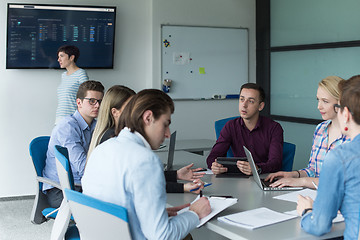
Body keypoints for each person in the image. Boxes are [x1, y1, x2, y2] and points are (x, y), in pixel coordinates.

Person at [82, 89, 211, 240]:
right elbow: (162, 236)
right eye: (165, 124)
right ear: (148, 117)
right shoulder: (146, 160)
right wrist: (195, 213)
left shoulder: (102, 149)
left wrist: (154, 215)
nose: (168, 134)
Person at [87, 86, 205, 194]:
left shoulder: (107, 145)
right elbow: (146, 182)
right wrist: (194, 212)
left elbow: (142, 178)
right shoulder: (117, 140)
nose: (134, 112)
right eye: (130, 108)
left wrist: (176, 175)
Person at [297, 75, 360, 239]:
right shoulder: (322, 131)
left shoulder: (340, 158)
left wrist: (306, 211)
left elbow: (319, 226)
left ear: (344, 113)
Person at [266, 76, 349, 189]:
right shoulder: (320, 129)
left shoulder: (353, 137)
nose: (319, 106)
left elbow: (341, 183)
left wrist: (303, 181)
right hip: (315, 196)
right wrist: (292, 175)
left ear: (341, 102)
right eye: (318, 100)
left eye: (325, 101)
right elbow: (313, 170)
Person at [43, 80, 104, 208]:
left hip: (80, 185)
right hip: (61, 190)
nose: (97, 105)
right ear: (79, 102)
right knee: (105, 208)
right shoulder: (68, 127)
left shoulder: (95, 126)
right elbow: (82, 167)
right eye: (92, 101)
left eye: (100, 101)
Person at [207, 83, 283, 175]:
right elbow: (213, 157)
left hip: (263, 178)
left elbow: (276, 163)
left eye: (250, 101)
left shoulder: (274, 128)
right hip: (237, 179)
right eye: (242, 99)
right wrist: (214, 165)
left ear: (260, 106)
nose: (244, 105)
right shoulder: (230, 126)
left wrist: (258, 169)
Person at [87, 85, 136, 158]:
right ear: (114, 112)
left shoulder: (104, 132)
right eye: (130, 108)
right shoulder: (114, 137)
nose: (135, 111)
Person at [55, 45, 89, 124]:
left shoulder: (81, 73)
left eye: (62, 56)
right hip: (60, 118)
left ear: (71, 57)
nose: (58, 59)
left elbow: (87, 96)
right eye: (58, 57)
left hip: (73, 119)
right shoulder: (63, 75)